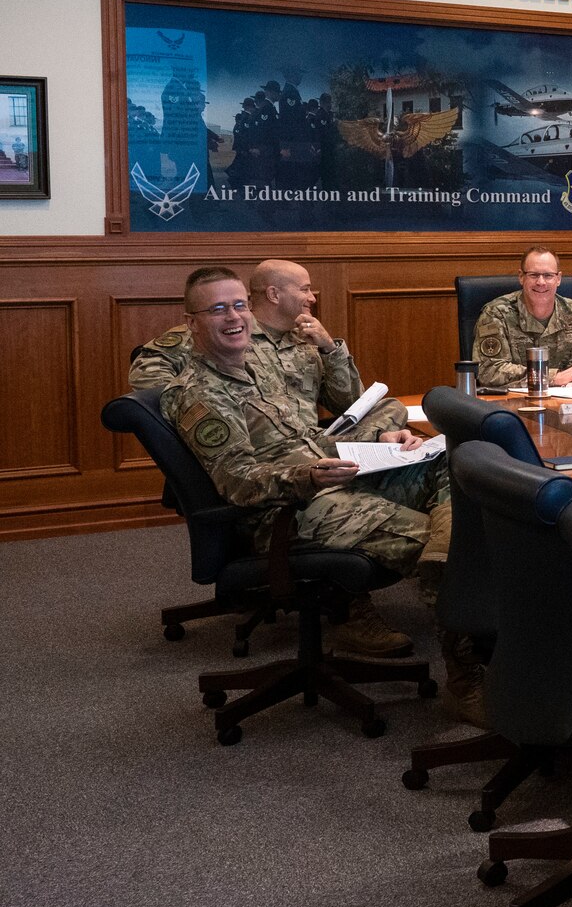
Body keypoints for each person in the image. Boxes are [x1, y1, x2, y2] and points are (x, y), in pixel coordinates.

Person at [161, 271, 485, 723]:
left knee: (451, 463)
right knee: (446, 548)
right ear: (191, 322)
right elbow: (239, 481)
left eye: (238, 305)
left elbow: (305, 435)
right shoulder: (198, 395)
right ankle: (467, 680)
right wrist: (308, 475)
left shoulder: (254, 364)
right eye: (217, 309)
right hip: (287, 511)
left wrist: (380, 441)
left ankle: (447, 556)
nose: (233, 317)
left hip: (331, 477)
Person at [129, 260, 362, 402]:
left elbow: (351, 404)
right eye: (305, 289)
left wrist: (330, 350)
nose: (312, 298)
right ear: (273, 294)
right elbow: (147, 369)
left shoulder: (306, 343)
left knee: (382, 423)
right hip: (252, 455)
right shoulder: (223, 333)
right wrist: (203, 407)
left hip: (308, 446)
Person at [472, 246, 572, 389]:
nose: (541, 282)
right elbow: (488, 371)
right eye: (533, 275)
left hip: (570, 402)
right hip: (513, 405)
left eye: (548, 275)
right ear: (521, 277)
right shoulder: (496, 314)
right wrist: (553, 377)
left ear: (558, 279)